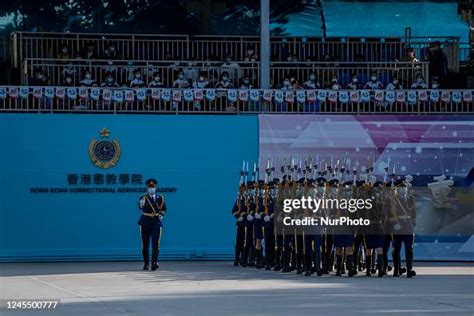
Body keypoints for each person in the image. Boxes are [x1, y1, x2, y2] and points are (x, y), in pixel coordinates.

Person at [138, 178, 167, 271]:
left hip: (156, 222)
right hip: (145, 222)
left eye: (153, 187)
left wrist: (161, 214)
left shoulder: (160, 198)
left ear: (155, 187)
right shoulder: (143, 198)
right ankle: (146, 264)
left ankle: (154, 263)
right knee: (145, 244)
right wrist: (141, 204)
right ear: (147, 188)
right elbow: (140, 207)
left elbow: (164, 209)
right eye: (150, 187)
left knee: (156, 244)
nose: (151, 189)